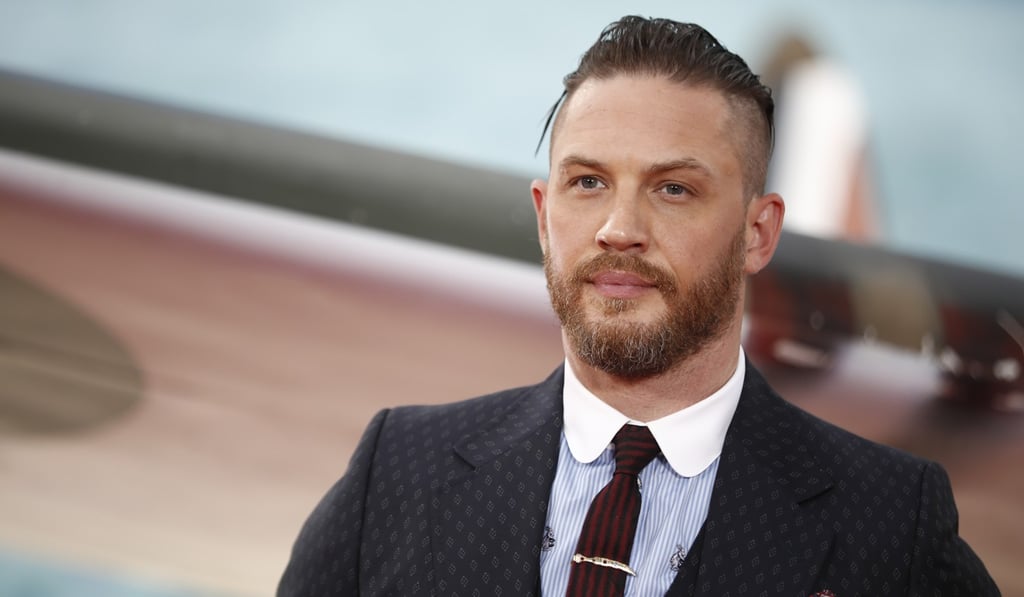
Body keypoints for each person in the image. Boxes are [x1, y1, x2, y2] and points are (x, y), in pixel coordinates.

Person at [278, 16, 998, 596]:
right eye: (587, 182)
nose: (619, 228)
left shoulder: (892, 525)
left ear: (759, 231)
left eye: (673, 189)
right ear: (542, 215)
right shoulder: (396, 474)